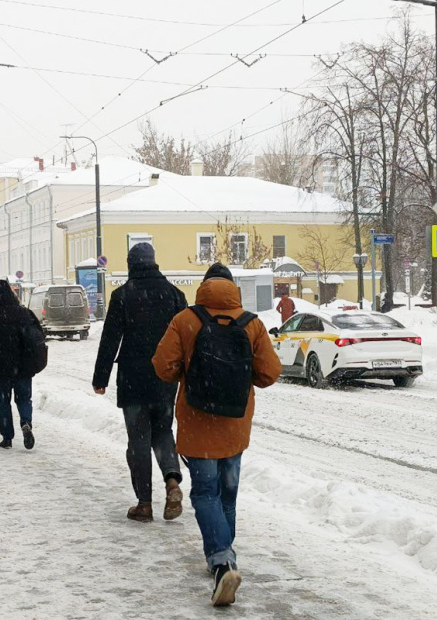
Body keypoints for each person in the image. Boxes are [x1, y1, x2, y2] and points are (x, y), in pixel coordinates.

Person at [153, 263, 282, 607]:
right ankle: (225, 560)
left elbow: (162, 366)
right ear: (233, 288)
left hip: (197, 422)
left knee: (205, 493)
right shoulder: (251, 323)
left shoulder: (185, 320)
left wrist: (190, 371)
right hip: (234, 426)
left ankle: (222, 561)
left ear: (204, 286)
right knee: (227, 493)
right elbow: (269, 372)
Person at [92, 243, 187, 523]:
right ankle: (172, 480)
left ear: (131, 264)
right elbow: (185, 339)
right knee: (163, 432)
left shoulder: (123, 295)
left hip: (133, 379)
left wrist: (101, 378)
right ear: (154, 262)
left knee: (138, 441)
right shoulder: (174, 294)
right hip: (165, 379)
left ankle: (144, 504)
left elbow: (110, 339)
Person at [0, 280, 42, 450]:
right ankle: (26, 422)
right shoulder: (25, 314)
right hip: (23, 366)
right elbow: (38, 336)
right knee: (24, 398)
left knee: (3, 401)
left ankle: (7, 437)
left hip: (0, 367)